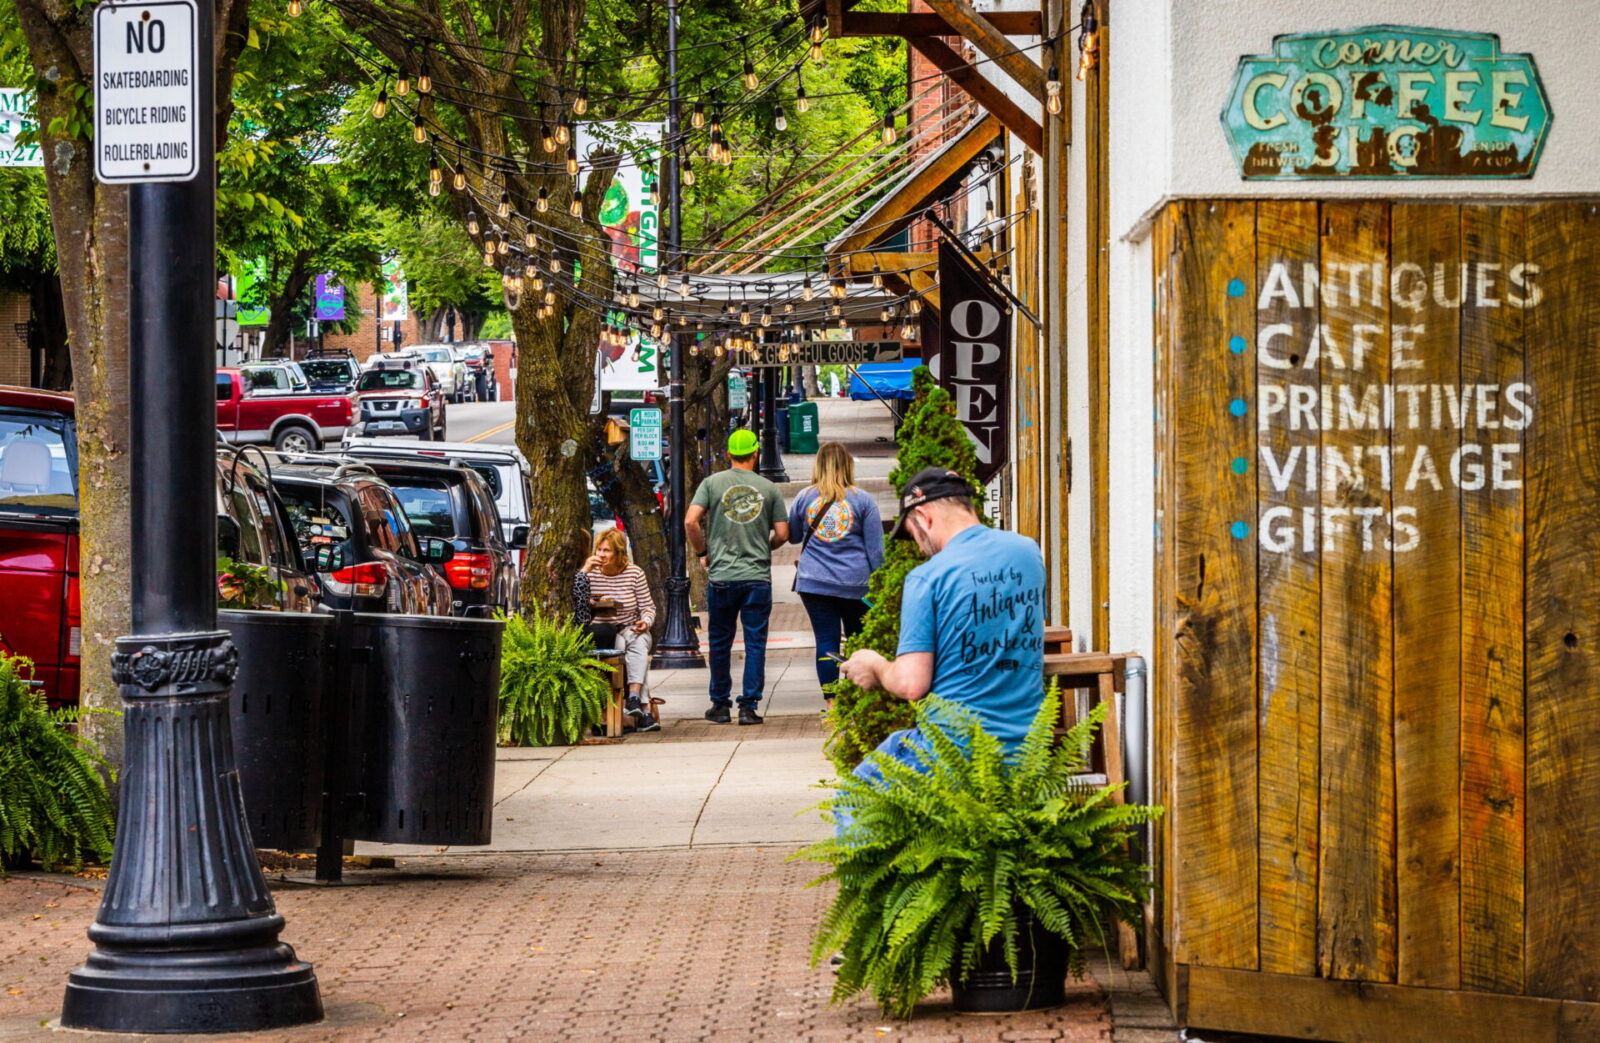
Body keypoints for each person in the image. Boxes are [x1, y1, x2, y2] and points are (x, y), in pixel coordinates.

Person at [837, 467, 1046, 813]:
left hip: (954, 749)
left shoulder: (928, 578)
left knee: (853, 800)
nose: (920, 548)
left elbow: (910, 684)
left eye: (913, 536)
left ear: (923, 515)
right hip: (1027, 746)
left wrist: (872, 664)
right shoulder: (1027, 553)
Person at [685, 428, 789, 725]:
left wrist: (702, 551)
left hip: (723, 576)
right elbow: (783, 533)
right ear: (756, 454)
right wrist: (766, 546)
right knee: (755, 642)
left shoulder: (711, 484)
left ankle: (720, 705)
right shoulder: (768, 488)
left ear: (729, 454)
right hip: (757, 577)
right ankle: (748, 706)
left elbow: (690, 521)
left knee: (720, 643)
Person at [787, 442, 884, 707]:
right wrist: (883, 584)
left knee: (826, 640)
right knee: (857, 639)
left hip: (814, 583)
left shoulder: (804, 497)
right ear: (847, 466)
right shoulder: (863, 500)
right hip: (856, 583)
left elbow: (794, 536)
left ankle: (831, 701)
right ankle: (856, 695)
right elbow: (876, 551)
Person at [572, 527, 659, 732]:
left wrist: (646, 621)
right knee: (624, 648)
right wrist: (586, 574)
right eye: (599, 550)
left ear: (619, 553)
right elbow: (579, 602)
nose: (601, 555)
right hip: (604, 630)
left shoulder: (634, 572)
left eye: (607, 551)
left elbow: (648, 607)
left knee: (638, 641)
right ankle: (642, 709)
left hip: (631, 626)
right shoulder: (590, 574)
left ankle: (635, 698)